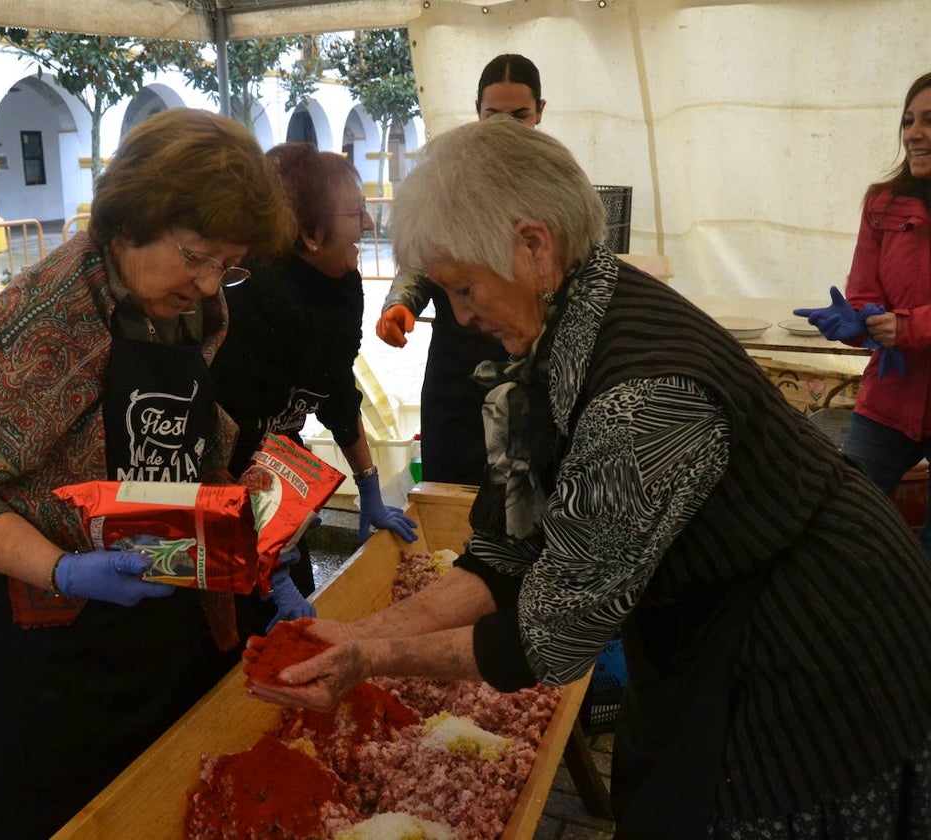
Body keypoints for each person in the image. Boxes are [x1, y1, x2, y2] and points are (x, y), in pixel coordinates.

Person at [248, 117, 931, 839]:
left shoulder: (645, 395)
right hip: (716, 618)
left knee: (739, 803)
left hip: (815, 636)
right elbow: (509, 553)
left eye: (466, 287)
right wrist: (355, 633)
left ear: (535, 247)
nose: (461, 314)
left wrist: (370, 659)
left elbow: (551, 639)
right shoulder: (562, 326)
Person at [0, 108, 295, 839]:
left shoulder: (183, 307)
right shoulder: (32, 327)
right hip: (42, 664)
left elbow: (195, 444)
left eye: (227, 266)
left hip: (157, 622)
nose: (212, 287)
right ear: (131, 218)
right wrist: (63, 568)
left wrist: (257, 556)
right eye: (198, 256)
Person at [211, 143, 418, 612]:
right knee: (253, 621)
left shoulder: (341, 283)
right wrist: (274, 567)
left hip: (282, 466)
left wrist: (369, 487)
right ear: (308, 232)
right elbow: (236, 442)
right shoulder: (255, 299)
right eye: (356, 213)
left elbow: (337, 388)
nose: (368, 225)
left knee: (302, 602)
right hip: (228, 487)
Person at [375, 53, 546, 486]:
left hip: (529, 371)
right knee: (448, 492)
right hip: (457, 373)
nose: (505, 127)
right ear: (476, 111)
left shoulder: (552, 181)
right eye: (493, 115)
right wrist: (402, 303)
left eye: (519, 115)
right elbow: (421, 255)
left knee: (525, 494)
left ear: (540, 112)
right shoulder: (449, 178)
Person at [795, 71, 931, 555]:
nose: (914, 132)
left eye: (930, 121)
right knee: (840, 525)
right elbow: (864, 294)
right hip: (889, 400)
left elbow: (906, 323)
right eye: (909, 120)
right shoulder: (882, 202)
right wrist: (859, 323)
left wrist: (907, 326)